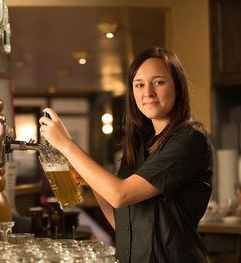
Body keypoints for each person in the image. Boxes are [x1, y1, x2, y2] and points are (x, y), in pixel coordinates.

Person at [39, 47, 213, 263]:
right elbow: (124, 224)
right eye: (139, 84)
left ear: (177, 85)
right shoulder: (141, 144)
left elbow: (120, 194)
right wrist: (89, 179)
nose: (147, 92)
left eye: (158, 82)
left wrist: (66, 145)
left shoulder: (190, 139)